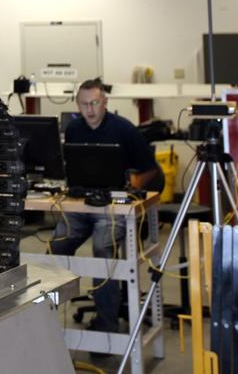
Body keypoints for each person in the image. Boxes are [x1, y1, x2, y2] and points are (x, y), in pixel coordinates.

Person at [51, 78, 163, 346]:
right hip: (80, 206)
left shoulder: (124, 129)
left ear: (105, 102)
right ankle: (47, 321)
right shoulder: (74, 130)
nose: (89, 109)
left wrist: (132, 185)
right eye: (83, 104)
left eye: (94, 103)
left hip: (112, 209)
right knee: (57, 245)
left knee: (103, 251)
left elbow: (151, 170)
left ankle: (106, 328)